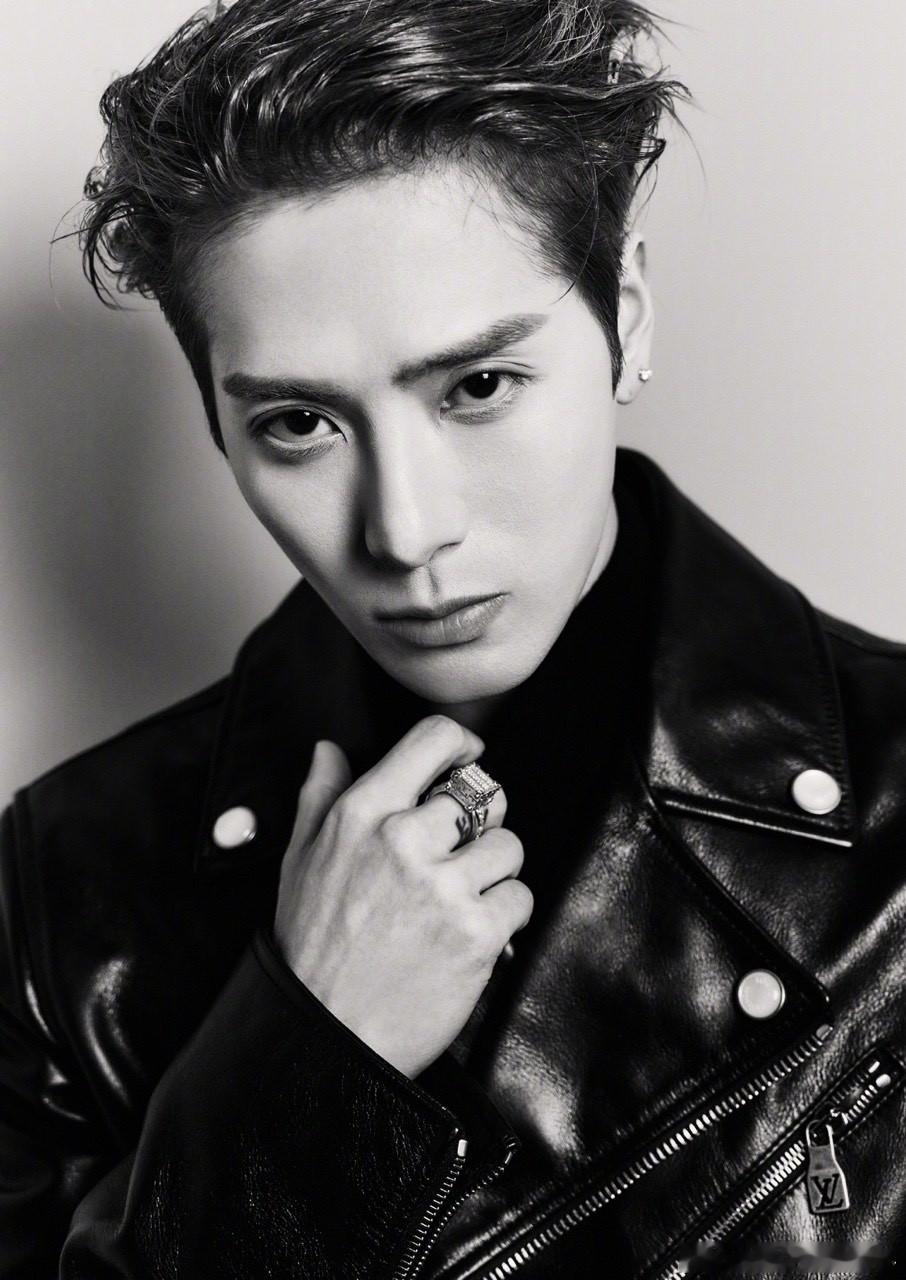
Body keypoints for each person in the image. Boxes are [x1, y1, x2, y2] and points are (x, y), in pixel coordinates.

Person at [1, 0, 904, 1276]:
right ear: (215, 421)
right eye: (299, 424)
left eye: (477, 386)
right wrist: (311, 1051)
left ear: (627, 316)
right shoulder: (63, 892)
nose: (406, 529)